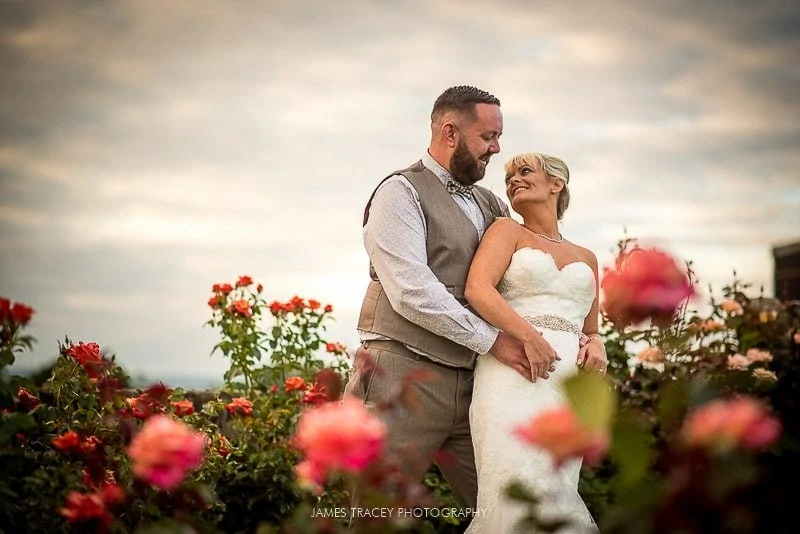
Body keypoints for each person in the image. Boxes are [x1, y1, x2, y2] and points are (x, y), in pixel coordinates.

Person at [343, 86, 559, 510]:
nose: (497, 149)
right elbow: (412, 291)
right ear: (450, 133)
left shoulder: (492, 204)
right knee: (375, 514)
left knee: (505, 511)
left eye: (498, 138)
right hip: (401, 379)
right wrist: (496, 340)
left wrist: (583, 330)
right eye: (488, 137)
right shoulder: (399, 193)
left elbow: (531, 271)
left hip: (478, 386)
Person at [463, 152, 607, 533]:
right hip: (512, 373)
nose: (513, 180)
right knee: (513, 485)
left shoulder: (588, 258)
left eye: (524, 172)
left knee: (557, 489)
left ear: (556, 184)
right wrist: (529, 336)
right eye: (509, 176)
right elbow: (477, 290)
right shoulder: (506, 231)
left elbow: (590, 326)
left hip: (565, 388)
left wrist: (597, 343)